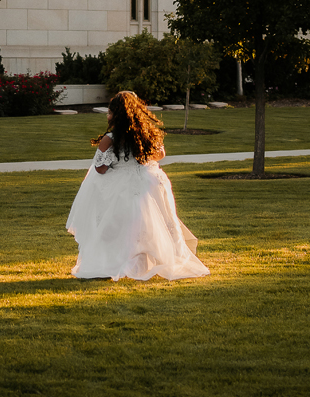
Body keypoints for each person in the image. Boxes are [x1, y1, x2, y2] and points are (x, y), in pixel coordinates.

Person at [66, 90, 209, 281]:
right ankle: (147, 262)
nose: (107, 116)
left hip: (121, 186)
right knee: (149, 226)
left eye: (109, 112)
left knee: (117, 226)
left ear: (116, 114)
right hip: (149, 182)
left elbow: (100, 168)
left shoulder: (110, 138)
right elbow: (160, 155)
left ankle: (115, 262)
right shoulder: (146, 134)